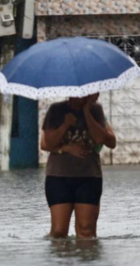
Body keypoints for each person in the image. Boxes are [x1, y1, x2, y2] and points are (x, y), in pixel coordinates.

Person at [39, 93, 117, 239]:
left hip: (89, 175)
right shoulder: (56, 110)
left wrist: (87, 112)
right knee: (58, 231)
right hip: (59, 176)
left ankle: (87, 260)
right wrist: (65, 126)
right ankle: (58, 260)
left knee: (86, 230)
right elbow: (46, 143)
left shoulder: (96, 110)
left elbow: (102, 138)